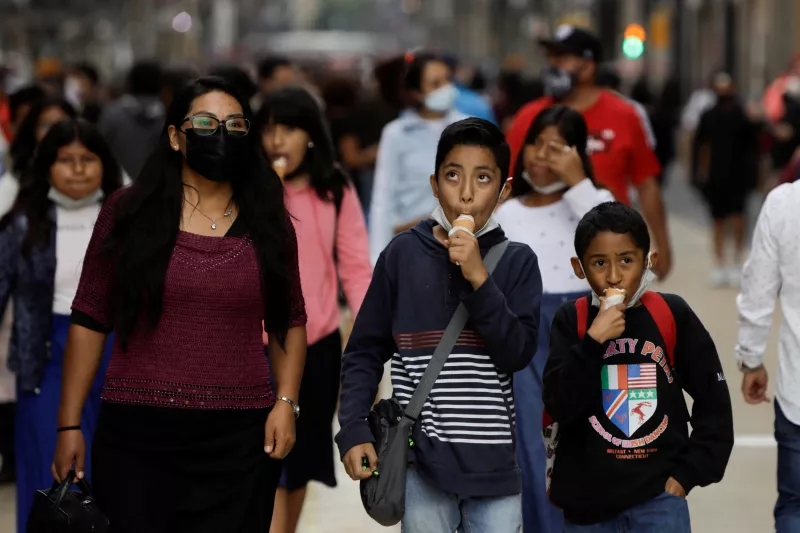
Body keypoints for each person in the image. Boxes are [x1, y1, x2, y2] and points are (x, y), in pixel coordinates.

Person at [52, 77, 307, 532]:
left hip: (241, 440)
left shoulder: (268, 219)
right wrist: (69, 424)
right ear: (175, 136)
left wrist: (286, 402)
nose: (220, 135)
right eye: (205, 123)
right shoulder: (128, 213)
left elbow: (288, 320)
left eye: (234, 125)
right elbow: (90, 317)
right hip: (138, 437)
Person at [337, 117, 542, 533]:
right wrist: (353, 427)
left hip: (494, 469)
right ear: (434, 184)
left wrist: (479, 278)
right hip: (421, 467)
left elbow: (516, 353)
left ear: (504, 190)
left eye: (483, 178)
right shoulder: (401, 255)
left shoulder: (519, 262)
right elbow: (364, 350)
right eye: (453, 176)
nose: (466, 193)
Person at [543, 202, 734, 532]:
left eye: (627, 261)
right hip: (588, 511)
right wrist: (593, 341)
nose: (614, 276)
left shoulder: (671, 314)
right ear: (579, 268)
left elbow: (714, 399)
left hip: (658, 503)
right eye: (599, 263)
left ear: (649, 262)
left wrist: (686, 476)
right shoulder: (571, 321)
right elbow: (559, 404)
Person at [257, 87, 372, 533]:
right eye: (268, 129)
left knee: (300, 459)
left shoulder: (334, 189)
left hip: (317, 343)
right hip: (253, 344)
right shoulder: (250, 187)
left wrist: (366, 331)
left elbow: (355, 266)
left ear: (310, 135)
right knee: (262, 459)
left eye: (287, 129)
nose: (276, 140)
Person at [495, 105, 613, 533]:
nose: (542, 156)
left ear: (579, 153)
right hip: (524, 331)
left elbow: (614, 229)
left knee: (586, 436)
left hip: (582, 330)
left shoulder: (590, 203)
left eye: (556, 147)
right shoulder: (506, 210)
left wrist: (578, 180)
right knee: (531, 440)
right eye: (535, 144)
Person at [0, 118, 122, 533]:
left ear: (104, 163)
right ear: (46, 166)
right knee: (48, 472)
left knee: (114, 476)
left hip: (118, 356)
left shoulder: (127, 217)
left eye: (87, 159)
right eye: (65, 159)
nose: (77, 169)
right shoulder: (21, 223)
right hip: (46, 359)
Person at [506, 25, 672, 280]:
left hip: (609, 253)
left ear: (588, 65)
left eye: (562, 58)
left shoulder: (624, 115)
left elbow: (647, 185)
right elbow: (506, 183)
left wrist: (663, 246)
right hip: (544, 253)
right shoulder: (529, 117)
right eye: (551, 58)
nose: (553, 65)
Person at [735, 180, 800, 533]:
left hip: (798, 392)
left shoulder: (785, 203)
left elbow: (758, 289)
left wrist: (751, 359)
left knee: (795, 506)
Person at [369, 52, 467, 264]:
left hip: (460, 246)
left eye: (448, 80)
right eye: (435, 83)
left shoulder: (468, 128)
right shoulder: (397, 133)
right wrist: (376, 258)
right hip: (410, 244)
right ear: (415, 92)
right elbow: (383, 197)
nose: (445, 88)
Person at [692, 72, 760, 287]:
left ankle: (737, 261)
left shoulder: (742, 115)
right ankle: (720, 264)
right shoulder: (708, 115)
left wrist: (755, 175)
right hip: (715, 177)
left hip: (739, 176)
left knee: (739, 219)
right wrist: (699, 174)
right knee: (718, 221)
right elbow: (700, 146)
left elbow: (753, 147)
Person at [0, 97, 76, 217]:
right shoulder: (15, 181)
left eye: (61, 125)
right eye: (45, 126)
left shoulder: (89, 176)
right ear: (33, 131)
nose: (53, 132)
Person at [97, 61, 165, 179]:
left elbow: (99, 147)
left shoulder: (113, 113)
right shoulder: (168, 114)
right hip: (158, 184)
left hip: (119, 183)